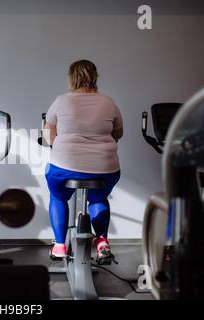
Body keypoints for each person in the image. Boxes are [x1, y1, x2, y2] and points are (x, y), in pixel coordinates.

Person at [44, 60, 123, 262]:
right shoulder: (108, 101)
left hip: (64, 168)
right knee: (97, 198)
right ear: (95, 76)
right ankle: (102, 241)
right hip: (105, 169)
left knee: (58, 197)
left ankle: (60, 245)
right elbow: (118, 133)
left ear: (71, 78)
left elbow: (48, 136)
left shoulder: (61, 101)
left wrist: (63, 146)